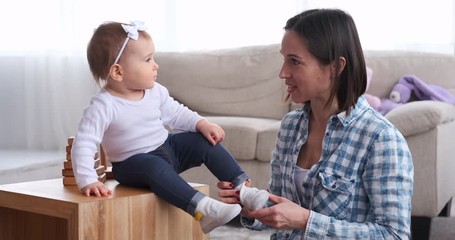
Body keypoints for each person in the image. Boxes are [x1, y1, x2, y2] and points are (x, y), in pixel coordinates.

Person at [217, 9, 414, 239]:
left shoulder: (381, 139)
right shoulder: (291, 126)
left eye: (295, 62)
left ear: (336, 66)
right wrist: (250, 203)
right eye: (284, 59)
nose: (282, 72)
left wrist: (306, 220)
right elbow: (281, 209)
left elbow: (394, 235)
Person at [71, 20, 268, 234]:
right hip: (133, 164)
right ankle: (203, 209)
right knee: (153, 168)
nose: (156, 65)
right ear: (118, 72)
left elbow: (176, 113)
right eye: (147, 60)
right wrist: (88, 180)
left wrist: (201, 123)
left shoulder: (155, 90)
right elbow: (84, 143)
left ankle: (242, 189)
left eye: (153, 57)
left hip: (167, 148)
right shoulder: (104, 105)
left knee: (203, 141)